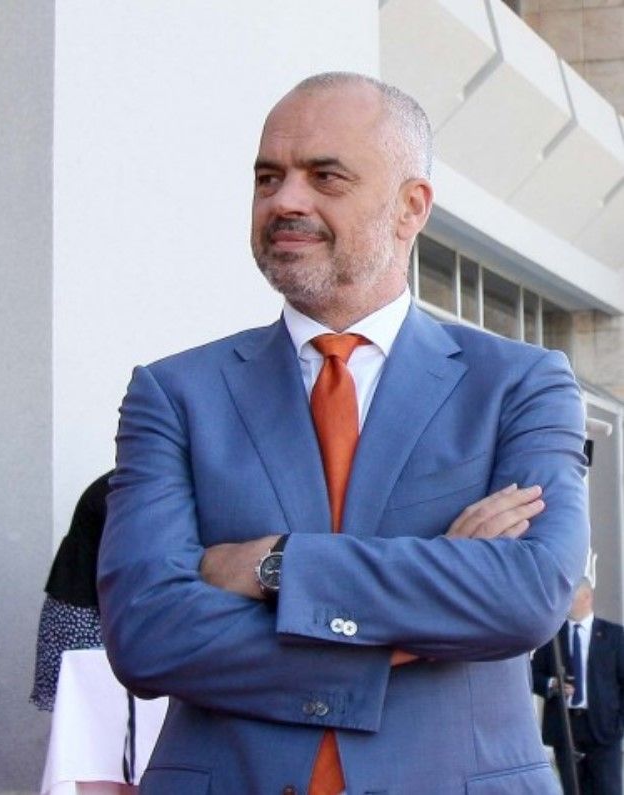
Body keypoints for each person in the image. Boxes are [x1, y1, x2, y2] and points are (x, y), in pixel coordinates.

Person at [97, 72, 590, 794]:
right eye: (268, 177)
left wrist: (275, 566)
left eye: (325, 177)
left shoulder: (519, 384)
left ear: (411, 206)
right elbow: (146, 632)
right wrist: (432, 596)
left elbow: (528, 594)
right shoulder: (175, 393)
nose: (285, 200)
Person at [532, 578, 624, 795]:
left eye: (570, 598)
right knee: (573, 789)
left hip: (604, 730)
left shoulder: (615, 636)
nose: (565, 604)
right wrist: (552, 684)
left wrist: (618, 724)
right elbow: (532, 675)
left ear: (587, 597)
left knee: (607, 789)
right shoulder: (553, 637)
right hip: (566, 728)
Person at [30, 470, 112, 712]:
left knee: (84, 716)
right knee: (86, 714)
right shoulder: (119, 491)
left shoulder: (119, 486)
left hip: (83, 609)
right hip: (84, 616)